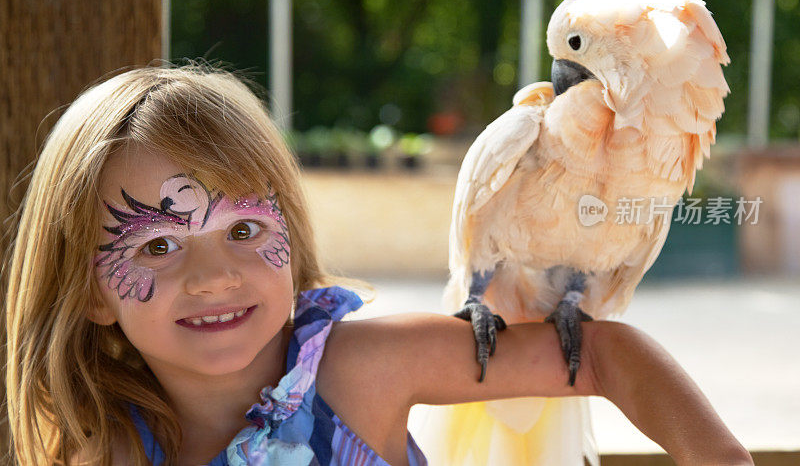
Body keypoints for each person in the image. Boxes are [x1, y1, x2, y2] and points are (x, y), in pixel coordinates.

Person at [3, 63, 753, 466]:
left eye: (243, 228)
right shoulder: (108, 448)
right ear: (92, 291)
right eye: (158, 246)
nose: (212, 276)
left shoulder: (363, 368)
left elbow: (601, 352)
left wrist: (717, 456)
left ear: (289, 235)